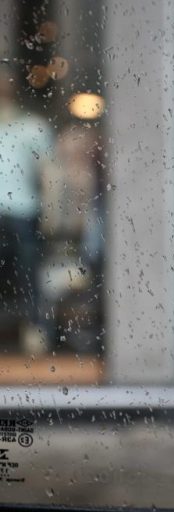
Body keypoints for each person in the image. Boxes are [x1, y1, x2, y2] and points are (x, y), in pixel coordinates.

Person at [0, 65, 57, 355]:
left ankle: (35, 329)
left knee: (28, 273)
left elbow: (47, 171)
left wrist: (50, 210)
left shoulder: (32, 126)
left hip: (22, 210)